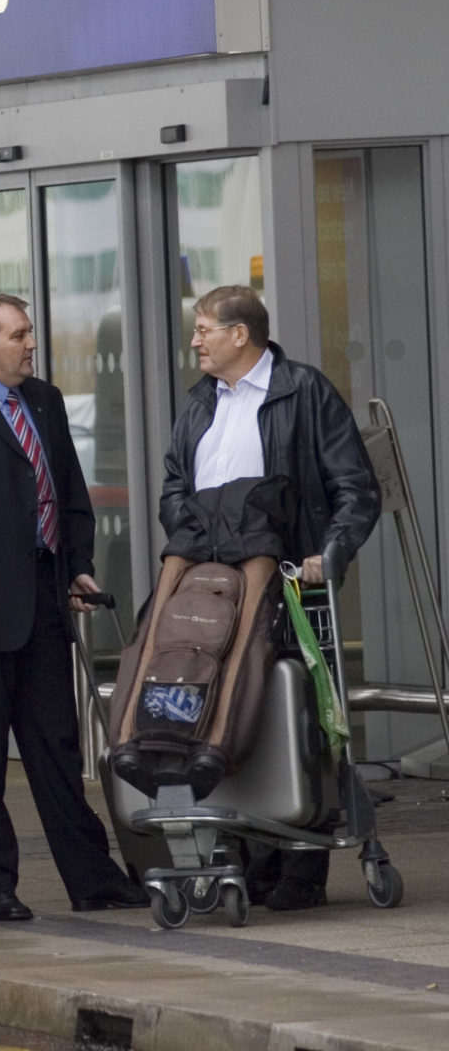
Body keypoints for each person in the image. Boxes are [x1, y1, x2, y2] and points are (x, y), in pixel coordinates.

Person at [0, 293, 147, 920]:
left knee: (56, 748)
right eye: (19, 334)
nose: (30, 344)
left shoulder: (45, 400)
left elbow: (68, 491)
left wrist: (79, 569)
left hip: (43, 599)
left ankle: (93, 879)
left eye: (31, 333)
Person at [160, 284, 380, 911]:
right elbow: (174, 485)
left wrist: (329, 554)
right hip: (216, 590)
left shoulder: (303, 390)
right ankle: (250, 856)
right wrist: (193, 539)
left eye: (205, 328)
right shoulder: (200, 400)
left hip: (289, 585)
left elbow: (354, 488)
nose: (196, 339)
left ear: (241, 335)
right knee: (232, 713)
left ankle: (303, 870)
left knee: (299, 721)